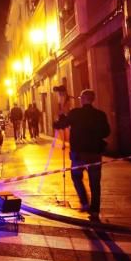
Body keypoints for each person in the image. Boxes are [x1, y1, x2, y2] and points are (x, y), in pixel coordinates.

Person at [53, 90, 110, 220]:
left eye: (81, 97)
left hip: (79, 154)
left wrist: (61, 116)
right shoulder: (100, 115)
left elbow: (60, 125)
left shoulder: (75, 114)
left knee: (76, 177)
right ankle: (95, 210)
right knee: (95, 182)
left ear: (83, 99)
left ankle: (84, 202)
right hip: (95, 153)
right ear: (93, 99)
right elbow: (106, 132)